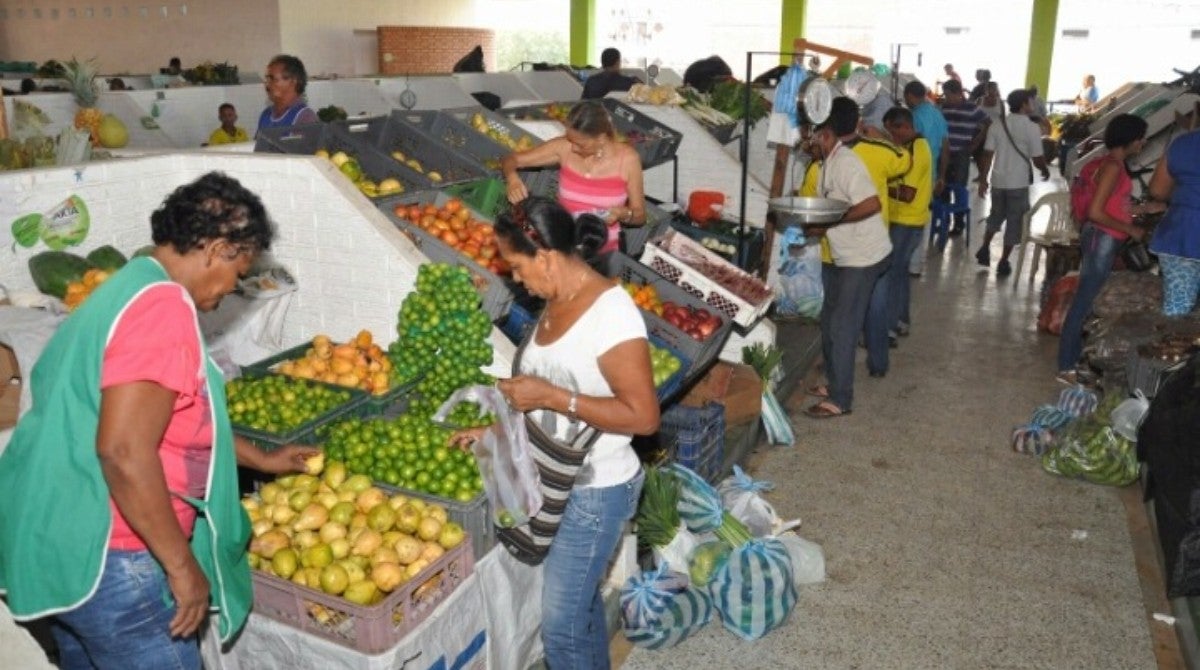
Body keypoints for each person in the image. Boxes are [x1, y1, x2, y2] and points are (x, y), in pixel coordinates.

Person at [0, 172, 320, 668]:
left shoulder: (129, 284)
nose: (234, 287)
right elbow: (124, 451)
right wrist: (180, 565)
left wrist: (262, 457)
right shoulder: (162, 308)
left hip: (61, 541)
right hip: (116, 555)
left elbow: (169, 417)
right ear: (218, 249)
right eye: (240, 272)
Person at [451, 197, 657, 669]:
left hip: (596, 490)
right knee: (579, 613)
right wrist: (498, 426)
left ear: (545, 256)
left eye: (518, 267)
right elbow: (557, 387)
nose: (515, 279)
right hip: (557, 480)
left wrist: (550, 397)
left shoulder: (611, 313)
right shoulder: (554, 300)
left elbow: (644, 417)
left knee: (560, 628)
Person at [802, 97, 892, 418]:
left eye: (813, 133)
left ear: (827, 134)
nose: (808, 139)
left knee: (842, 326)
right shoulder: (829, 160)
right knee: (830, 320)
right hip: (847, 253)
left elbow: (871, 204)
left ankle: (840, 399)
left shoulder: (847, 163)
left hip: (864, 256)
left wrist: (830, 224)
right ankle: (834, 381)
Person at [1057, 114, 1160, 382]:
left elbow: (1113, 204)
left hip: (1100, 237)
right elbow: (1096, 212)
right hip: (1102, 238)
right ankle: (1066, 366)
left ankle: (1075, 360)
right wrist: (1131, 229)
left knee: (1089, 298)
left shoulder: (1106, 163)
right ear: (1132, 140)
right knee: (1085, 300)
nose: (1143, 143)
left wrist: (1143, 209)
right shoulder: (1114, 167)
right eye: (1141, 138)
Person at [500, 100, 646, 254]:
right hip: (560, 245)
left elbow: (640, 215)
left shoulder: (628, 159)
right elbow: (510, 159)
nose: (574, 148)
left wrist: (624, 214)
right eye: (570, 140)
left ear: (601, 138)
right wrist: (512, 178)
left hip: (602, 253)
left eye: (581, 144)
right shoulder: (564, 147)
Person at [864, 106, 933, 379]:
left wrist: (878, 184)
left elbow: (905, 192)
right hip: (909, 218)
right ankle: (902, 320)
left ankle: (889, 328)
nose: (891, 139)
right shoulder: (917, 144)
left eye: (892, 133)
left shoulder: (916, 150)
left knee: (891, 273)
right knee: (901, 272)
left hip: (907, 218)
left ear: (902, 127)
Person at [975, 88, 1051, 277]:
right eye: (1030, 101)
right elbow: (1037, 158)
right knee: (1014, 222)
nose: (1032, 104)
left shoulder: (997, 125)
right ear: (1024, 104)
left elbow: (987, 154)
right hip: (1018, 183)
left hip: (998, 181)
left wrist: (983, 179)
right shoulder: (1031, 128)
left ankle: (984, 248)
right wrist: (1044, 169)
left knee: (995, 216)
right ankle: (1003, 261)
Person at [1148, 129, 1200, 316]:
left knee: (1177, 309)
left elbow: (1157, 190)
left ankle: (1173, 344)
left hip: (1179, 236)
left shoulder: (1182, 143)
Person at [902, 81, 949, 276]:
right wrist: (942, 177)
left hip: (914, 174)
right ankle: (916, 265)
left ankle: (908, 264)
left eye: (906, 98)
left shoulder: (914, 117)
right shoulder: (937, 114)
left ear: (911, 96)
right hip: (932, 175)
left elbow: (906, 147)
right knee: (924, 218)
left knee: (908, 220)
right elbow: (946, 146)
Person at [939, 79, 990, 236]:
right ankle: (944, 221)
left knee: (959, 188)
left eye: (948, 95)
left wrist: (976, 142)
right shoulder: (943, 108)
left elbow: (988, 123)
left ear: (958, 93)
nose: (946, 98)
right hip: (945, 153)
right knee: (943, 187)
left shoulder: (972, 108)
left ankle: (959, 223)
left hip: (961, 153)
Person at [257, 54, 319, 135]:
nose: (267, 84)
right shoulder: (266, 115)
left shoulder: (305, 117)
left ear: (293, 81)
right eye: (266, 79)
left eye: (272, 78)